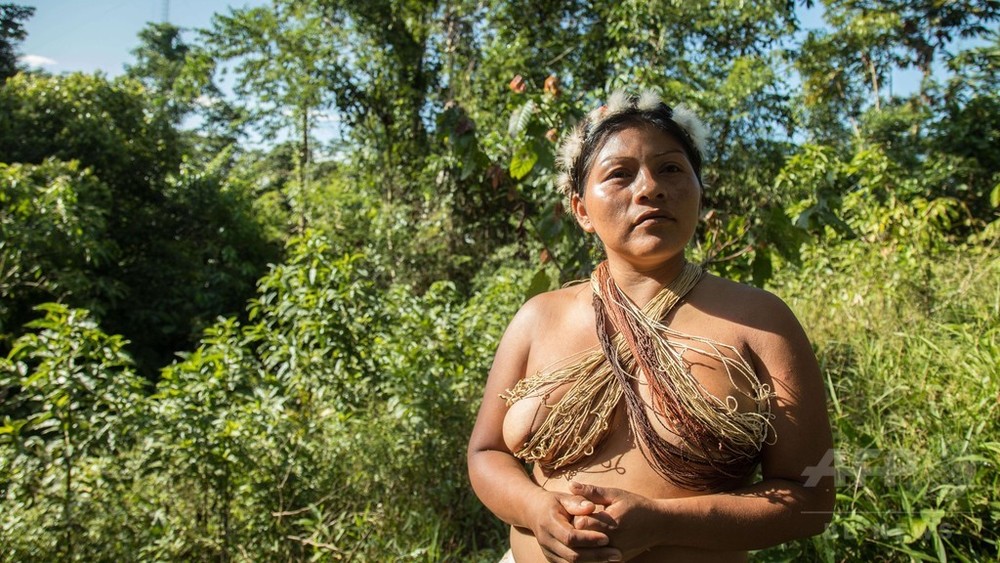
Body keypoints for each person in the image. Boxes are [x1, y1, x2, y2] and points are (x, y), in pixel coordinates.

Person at [467, 89, 835, 562]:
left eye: (671, 169)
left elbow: (814, 501)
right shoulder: (538, 317)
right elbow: (486, 455)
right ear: (581, 210)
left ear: (700, 192)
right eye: (619, 174)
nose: (649, 188)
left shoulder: (762, 322)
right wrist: (537, 509)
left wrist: (664, 523)